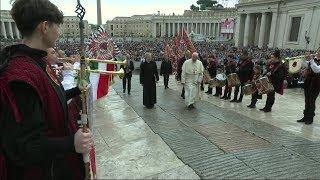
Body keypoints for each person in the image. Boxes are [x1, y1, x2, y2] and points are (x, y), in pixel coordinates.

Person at [0, 0, 92, 179]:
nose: (59, 31)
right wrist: (71, 143)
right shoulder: (21, 75)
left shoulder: (37, 63)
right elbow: (24, 146)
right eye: (57, 26)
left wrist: (76, 90)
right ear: (45, 26)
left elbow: (47, 101)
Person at [297, 48, 320, 125]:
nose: (318, 52)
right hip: (308, 81)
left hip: (316, 83)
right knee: (307, 100)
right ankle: (305, 116)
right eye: (318, 51)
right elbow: (306, 65)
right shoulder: (313, 59)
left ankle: (310, 118)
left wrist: (311, 60)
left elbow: (316, 69)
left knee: (311, 101)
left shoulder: (313, 60)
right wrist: (304, 59)